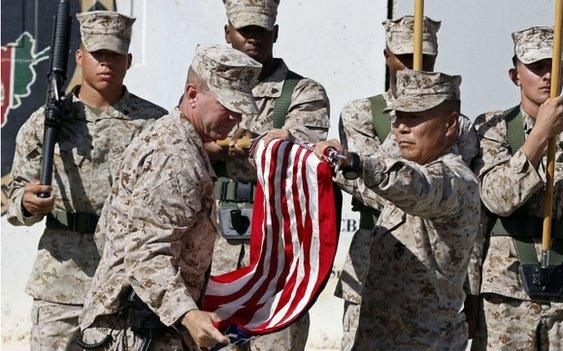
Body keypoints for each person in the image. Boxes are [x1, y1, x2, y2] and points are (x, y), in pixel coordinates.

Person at [78, 44, 262, 350]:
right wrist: (187, 314)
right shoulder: (175, 157)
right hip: (137, 330)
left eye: (240, 108)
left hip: (146, 323)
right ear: (192, 95)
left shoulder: (181, 139)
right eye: (225, 105)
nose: (235, 117)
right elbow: (144, 249)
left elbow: (112, 234)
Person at [5, 11, 166, 350]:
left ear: (129, 59)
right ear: (80, 57)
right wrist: (27, 202)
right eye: (98, 54)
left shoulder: (155, 125)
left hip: (125, 283)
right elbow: (15, 196)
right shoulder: (47, 123)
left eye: (115, 54)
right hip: (60, 282)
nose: (106, 63)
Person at [470, 26, 563, 350]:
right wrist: (538, 137)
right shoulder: (491, 130)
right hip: (503, 295)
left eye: (553, 67)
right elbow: (495, 200)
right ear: (515, 75)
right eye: (536, 67)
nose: (546, 76)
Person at [334, 15, 478, 349]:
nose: (400, 127)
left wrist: (357, 162)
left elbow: (415, 187)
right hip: (379, 328)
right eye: (397, 117)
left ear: (450, 124)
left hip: (424, 337)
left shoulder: (455, 179)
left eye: (414, 118)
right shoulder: (366, 116)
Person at [204, 1, 330, 349]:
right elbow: (187, 143)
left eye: (261, 31)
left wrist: (240, 144)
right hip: (217, 251)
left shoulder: (304, 93)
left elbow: (303, 149)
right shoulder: (207, 92)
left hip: (278, 252)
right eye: (245, 31)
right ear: (227, 34)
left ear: (275, 33)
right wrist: (219, 149)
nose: (253, 39)